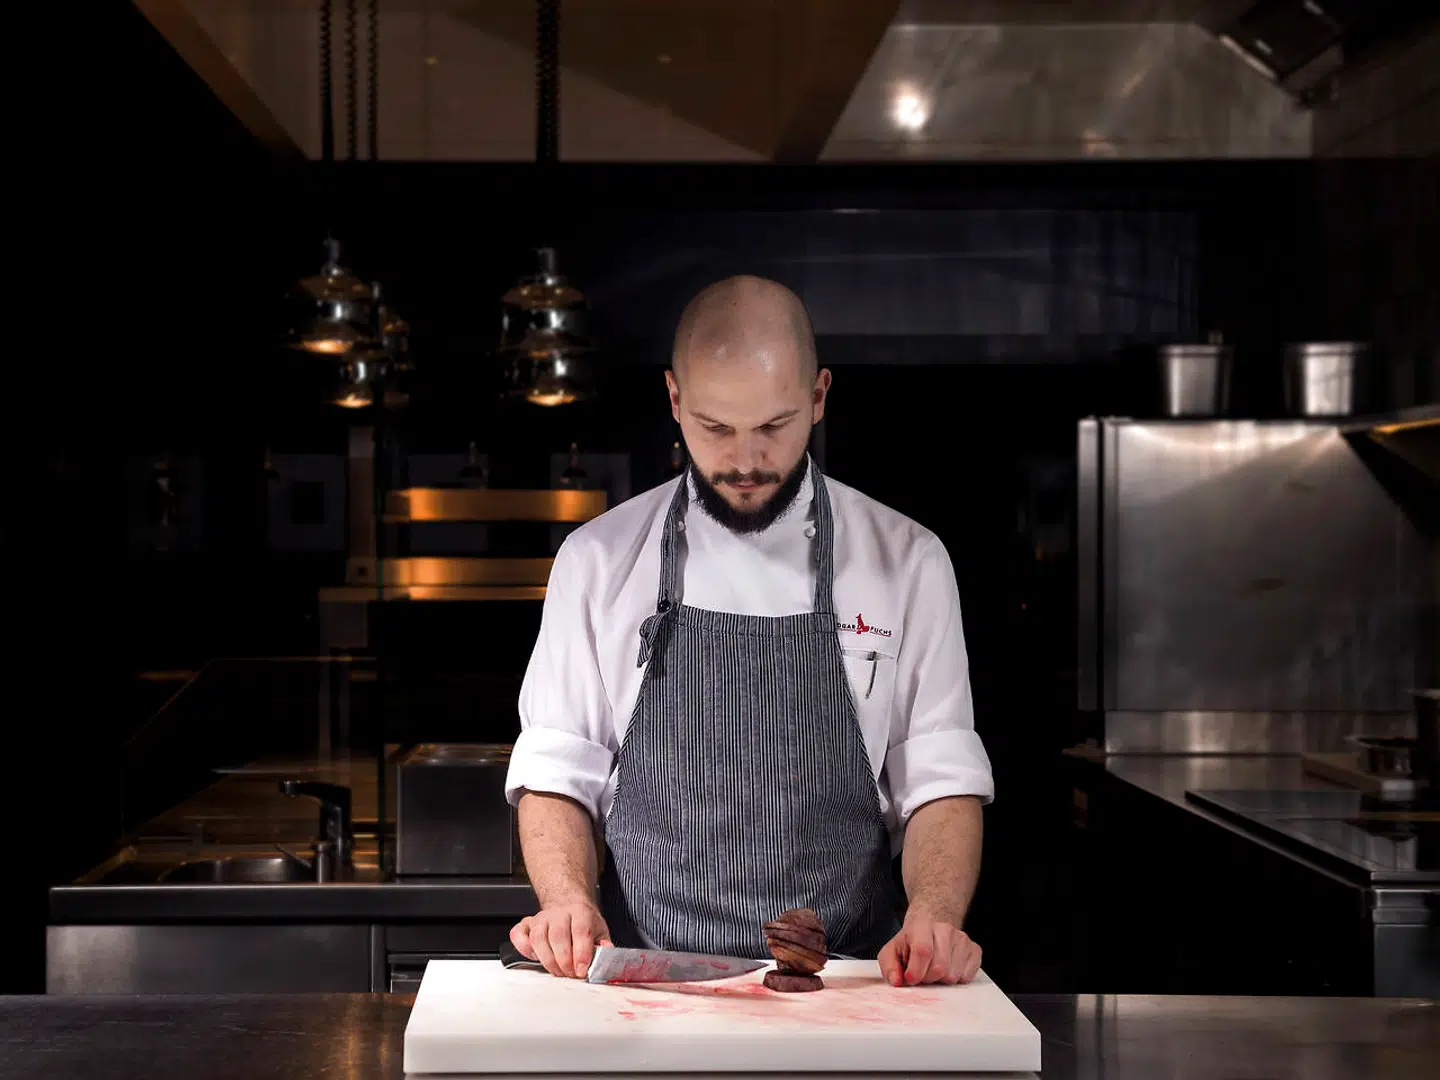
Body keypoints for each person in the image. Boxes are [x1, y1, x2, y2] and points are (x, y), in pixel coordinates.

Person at [503, 276, 993, 988]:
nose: (744, 462)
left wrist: (935, 915)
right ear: (674, 401)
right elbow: (556, 774)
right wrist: (569, 904)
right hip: (648, 986)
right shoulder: (597, 561)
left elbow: (941, 780)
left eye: (773, 426)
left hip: (847, 991)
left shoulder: (908, 561)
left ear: (820, 396)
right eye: (714, 428)